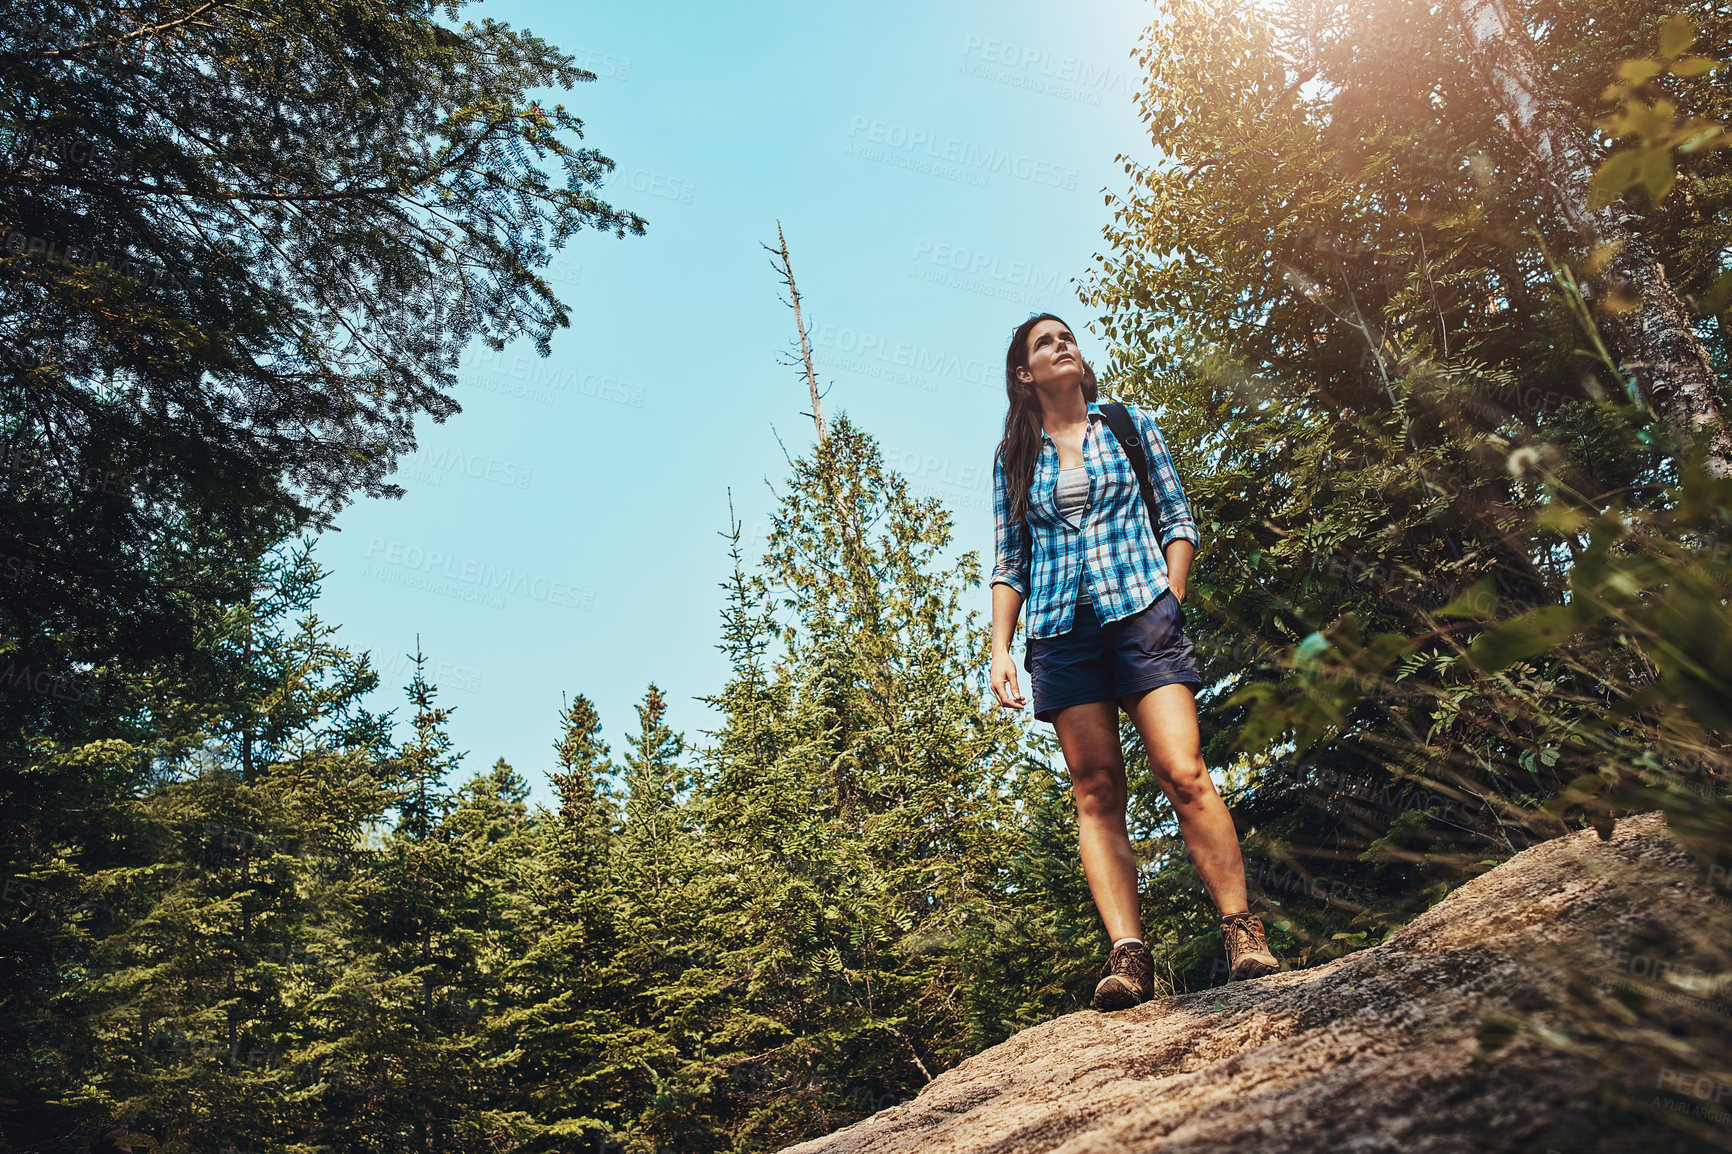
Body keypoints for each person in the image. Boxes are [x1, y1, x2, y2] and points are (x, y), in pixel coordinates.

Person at [988, 313, 1279, 1011]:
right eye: (1045, 343)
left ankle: (1242, 933)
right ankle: (1129, 956)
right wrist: (999, 647)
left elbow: (1177, 518)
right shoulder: (1014, 459)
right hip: (1061, 631)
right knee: (1095, 791)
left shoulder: (1126, 425)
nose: (1064, 345)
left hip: (1141, 613)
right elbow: (1010, 559)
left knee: (1183, 770)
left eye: (1067, 337)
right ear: (1025, 374)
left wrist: (1170, 599)